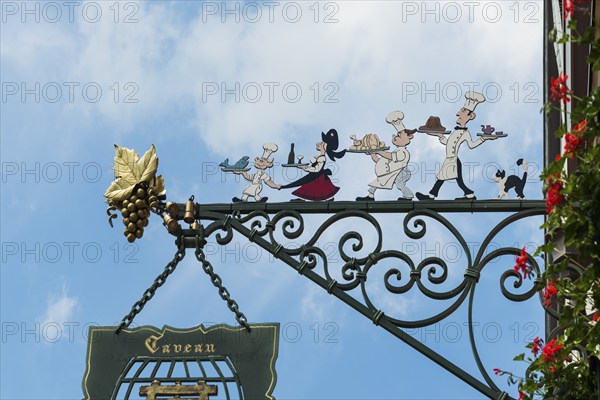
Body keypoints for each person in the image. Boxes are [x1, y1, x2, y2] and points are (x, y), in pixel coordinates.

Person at [415, 91, 498, 201]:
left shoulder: (465, 133)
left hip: (453, 160)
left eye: (463, 111)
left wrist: (483, 138)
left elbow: (472, 145)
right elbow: (449, 143)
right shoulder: (455, 131)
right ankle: (467, 195)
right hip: (450, 159)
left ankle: (433, 196)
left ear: (470, 116)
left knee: (447, 179)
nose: (458, 113)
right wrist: (439, 136)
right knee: (444, 178)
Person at [356, 111, 415, 201]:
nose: (396, 137)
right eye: (396, 135)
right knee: (379, 180)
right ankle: (370, 196)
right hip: (393, 170)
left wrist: (380, 151)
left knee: (399, 184)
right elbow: (382, 161)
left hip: (401, 172)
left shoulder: (403, 152)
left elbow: (391, 156)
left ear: (409, 137)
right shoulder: (398, 150)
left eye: (399, 135)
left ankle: (408, 196)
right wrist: (373, 154)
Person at [280, 129, 345, 201]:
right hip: (315, 176)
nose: (318, 143)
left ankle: (327, 198)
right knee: (308, 187)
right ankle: (303, 198)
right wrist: (303, 166)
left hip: (318, 177)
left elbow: (317, 169)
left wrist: (305, 168)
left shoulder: (322, 158)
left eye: (321, 143)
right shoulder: (318, 157)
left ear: (324, 147)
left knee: (315, 188)